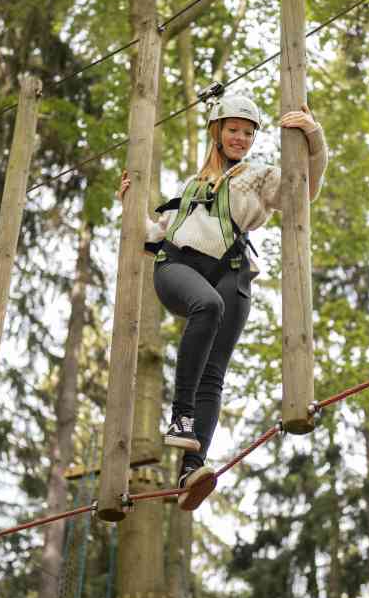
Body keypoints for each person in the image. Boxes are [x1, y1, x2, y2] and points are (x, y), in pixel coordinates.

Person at [118, 93, 328, 508]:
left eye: (248, 133)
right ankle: (180, 415)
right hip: (177, 266)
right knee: (207, 306)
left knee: (214, 374)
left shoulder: (257, 176)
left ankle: (191, 471)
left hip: (231, 271)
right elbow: (152, 235)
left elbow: (304, 190)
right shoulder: (190, 188)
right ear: (217, 132)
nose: (241, 138)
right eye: (233, 130)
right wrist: (128, 203)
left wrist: (314, 140)